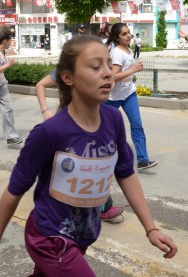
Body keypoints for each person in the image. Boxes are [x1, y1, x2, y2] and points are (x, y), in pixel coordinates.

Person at [0, 35, 177, 276]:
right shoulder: (49, 132)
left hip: (83, 236)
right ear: (67, 78)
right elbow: (15, 189)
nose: (108, 73)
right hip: (50, 239)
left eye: (109, 65)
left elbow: (126, 173)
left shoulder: (114, 120)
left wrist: (151, 229)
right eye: (96, 67)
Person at [35, 70, 126, 224]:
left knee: (90, 165)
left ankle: (100, 206)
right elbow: (40, 85)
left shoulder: (93, 70)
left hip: (90, 123)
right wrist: (45, 111)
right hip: (68, 125)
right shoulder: (63, 71)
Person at [106, 23, 157, 170]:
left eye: (129, 32)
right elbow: (113, 77)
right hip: (112, 97)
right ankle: (97, 157)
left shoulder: (128, 49)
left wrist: (132, 72)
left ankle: (142, 160)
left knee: (137, 125)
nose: (128, 35)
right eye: (124, 34)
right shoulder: (116, 53)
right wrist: (133, 70)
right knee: (106, 129)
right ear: (117, 37)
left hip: (129, 94)